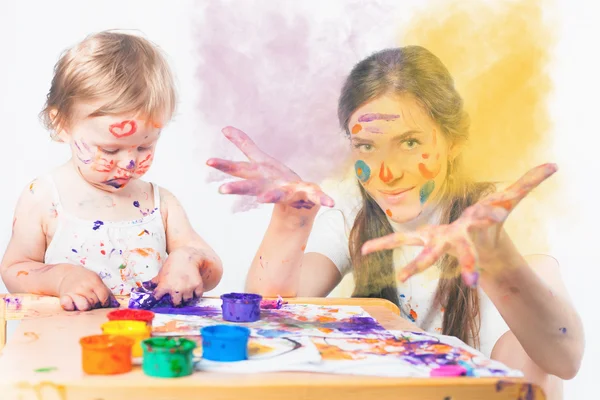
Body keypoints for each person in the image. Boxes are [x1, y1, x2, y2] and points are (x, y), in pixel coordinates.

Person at [207, 46, 583, 395]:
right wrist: (291, 222)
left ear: (453, 142)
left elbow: (563, 359)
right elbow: (268, 313)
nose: (386, 174)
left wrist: (496, 258)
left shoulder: (496, 217)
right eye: (367, 147)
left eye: (409, 143)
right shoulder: (354, 206)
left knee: (527, 349)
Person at [0, 31, 222, 311]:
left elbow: (212, 268)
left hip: (144, 346)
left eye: (143, 147)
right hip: (68, 346)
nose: (129, 164)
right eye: (110, 150)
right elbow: (13, 269)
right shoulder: (44, 198)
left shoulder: (160, 203)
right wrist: (61, 277)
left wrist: (190, 259)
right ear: (62, 125)